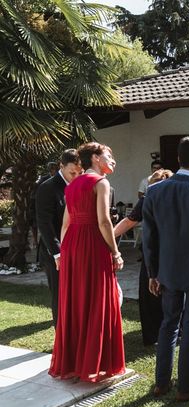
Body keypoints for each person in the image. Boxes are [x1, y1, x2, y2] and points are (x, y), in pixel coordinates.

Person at [143, 137, 189, 401]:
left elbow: (149, 238)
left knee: (168, 324)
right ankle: (185, 387)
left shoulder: (155, 191)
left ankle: (161, 383)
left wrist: (153, 272)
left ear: (178, 159)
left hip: (167, 269)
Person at [48, 143, 125, 382]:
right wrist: (116, 252)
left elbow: (65, 224)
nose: (113, 160)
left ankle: (73, 362)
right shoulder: (101, 183)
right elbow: (104, 222)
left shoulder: (72, 185)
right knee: (98, 300)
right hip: (92, 244)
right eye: (109, 156)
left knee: (76, 302)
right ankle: (94, 363)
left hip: (71, 246)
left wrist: (64, 254)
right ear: (95, 158)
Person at [114, 169, 173, 346]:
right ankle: (162, 333)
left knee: (154, 294)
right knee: (157, 294)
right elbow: (130, 220)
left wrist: (107, 235)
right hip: (162, 252)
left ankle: (157, 333)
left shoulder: (151, 199)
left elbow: (129, 221)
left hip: (159, 251)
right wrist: (108, 236)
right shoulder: (152, 200)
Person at [35, 151, 83, 328]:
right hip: (55, 253)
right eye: (72, 173)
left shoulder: (79, 185)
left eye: (79, 172)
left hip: (77, 249)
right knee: (60, 297)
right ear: (61, 166)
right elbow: (44, 223)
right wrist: (57, 253)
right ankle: (61, 338)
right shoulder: (47, 188)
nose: (76, 177)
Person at [30, 161, 58, 249]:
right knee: (36, 224)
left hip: (54, 204)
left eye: (54, 168)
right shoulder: (43, 179)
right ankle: (35, 240)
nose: (53, 170)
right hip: (39, 203)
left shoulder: (58, 178)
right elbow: (36, 192)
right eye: (52, 168)